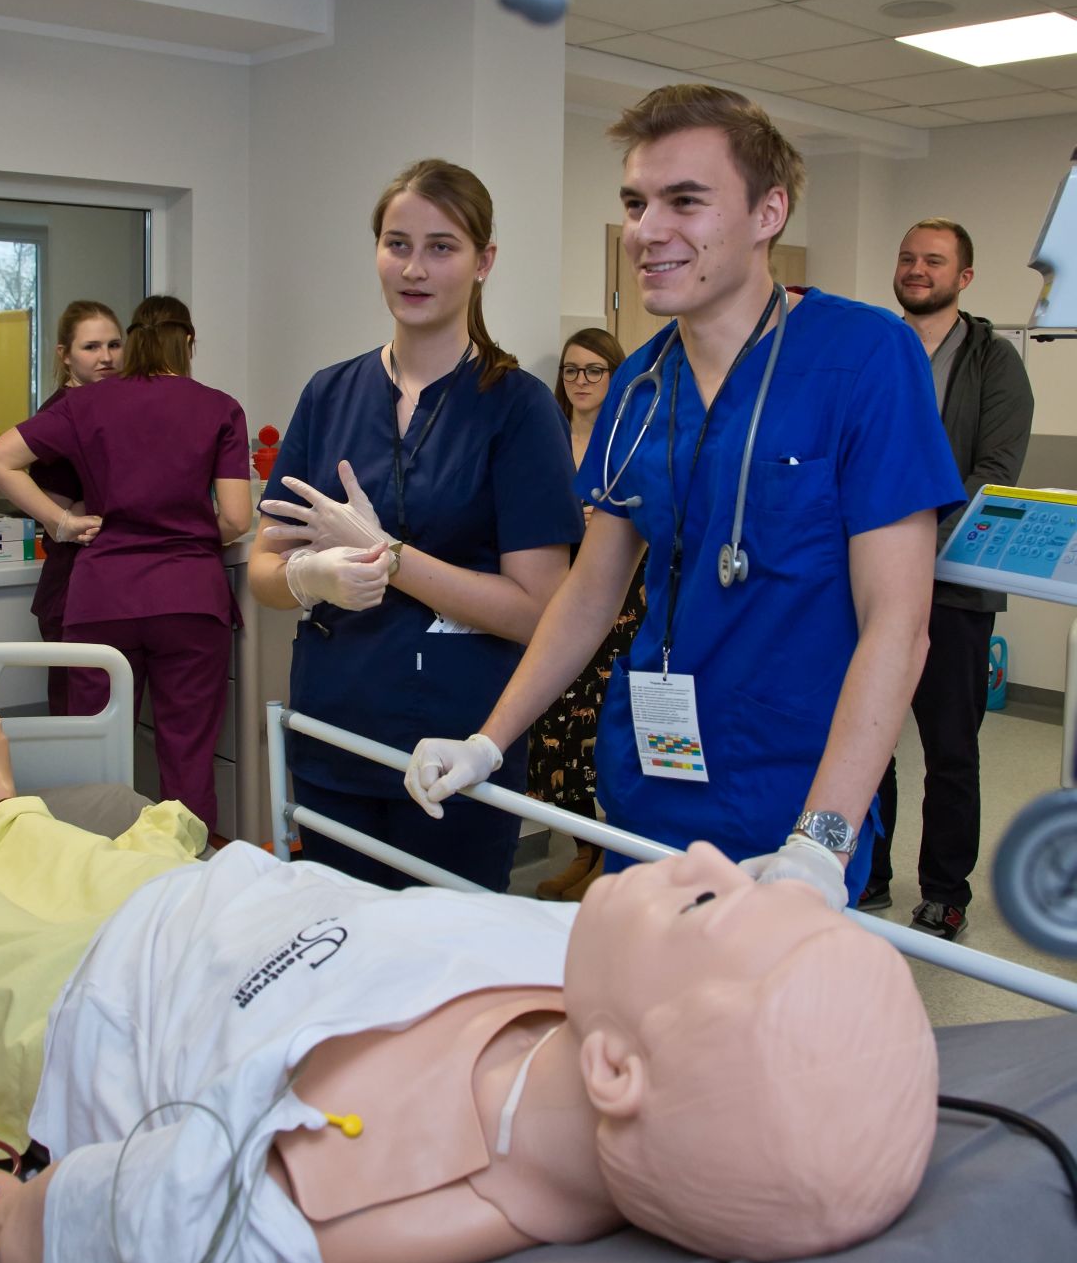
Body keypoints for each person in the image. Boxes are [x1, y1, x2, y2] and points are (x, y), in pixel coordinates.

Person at [0, 700, 937, 1263]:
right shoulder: (610, 986)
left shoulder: (323, 1207)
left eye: (707, 905)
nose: (706, 859)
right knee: (66, 853)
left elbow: (11, 1244)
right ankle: (6, 814)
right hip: (208, 906)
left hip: (83, 1009)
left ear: (616, 1073)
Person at [404, 85, 966, 909]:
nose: (647, 229)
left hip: (792, 800)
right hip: (652, 780)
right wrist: (489, 740)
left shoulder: (866, 358)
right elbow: (590, 595)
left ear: (769, 212)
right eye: (636, 203)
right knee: (637, 989)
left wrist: (823, 839)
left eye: (686, 201)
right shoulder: (640, 383)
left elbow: (899, 623)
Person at [250, 158, 582, 892]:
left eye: (441, 247)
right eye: (397, 244)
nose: (414, 268)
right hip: (334, 732)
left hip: (455, 749)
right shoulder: (329, 394)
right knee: (339, 940)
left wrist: (389, 556)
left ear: (483, 261)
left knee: (443, 953)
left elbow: (539, 611)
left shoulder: (518, 408)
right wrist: (311, 578)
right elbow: (263, 576)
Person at [0, 295, 251, 836]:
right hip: (189, 598)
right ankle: (188, 869)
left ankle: (94, 865)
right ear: (188, 342)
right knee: (187, 752)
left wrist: (62, 523)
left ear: (133, 342)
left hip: (103, 598)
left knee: (94, 753)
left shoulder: (86, 404)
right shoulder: (220, 408)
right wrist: (188, 533)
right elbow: (238, 518)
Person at [860, 220, 1034, 940]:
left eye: (933, 260)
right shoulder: (873, 347)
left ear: (964, 277)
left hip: (953, 588)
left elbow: (994, 474)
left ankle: (944, 890)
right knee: (865, 732)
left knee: (950, 750)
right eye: (907, 257)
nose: (916, 269)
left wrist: (907, 546)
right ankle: (866, 869)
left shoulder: (994, 361)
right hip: (865, 584)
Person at [528, 328, 644, 900]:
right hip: (559, 599)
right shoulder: (547, 439)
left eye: (595, 370)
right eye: (571, 370)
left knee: (607, 731)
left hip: (621, 603)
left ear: (615, 375)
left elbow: (649, 519)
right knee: (557, 733)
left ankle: (613, 855)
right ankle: (585, 851)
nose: (581, 381)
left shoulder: (629, 437)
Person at [26, 300, 124, 717]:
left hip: (110, 586)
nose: (106, 357)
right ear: (65, 354)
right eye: (91, 347)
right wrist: (68, 519)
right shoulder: (61, 413)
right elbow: (53, 510)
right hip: (72, 586)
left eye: (114, 345)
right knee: (76, 720)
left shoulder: (114, 405)